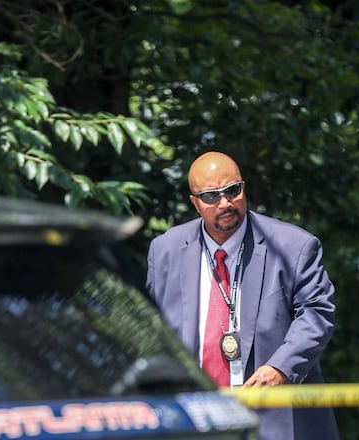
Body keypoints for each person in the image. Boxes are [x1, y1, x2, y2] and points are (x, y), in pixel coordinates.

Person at [145, 151, 339, 440]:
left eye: (233, 190)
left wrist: (280, 368)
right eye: (211, 196)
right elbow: (150, 329)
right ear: (195, 202)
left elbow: (316, 313)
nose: (225, 203)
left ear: (244, 188)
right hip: (195, 423)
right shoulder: (165, 250)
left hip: (274, 421)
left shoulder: (294, 246)